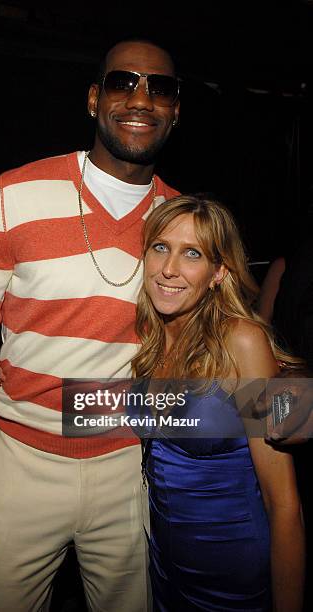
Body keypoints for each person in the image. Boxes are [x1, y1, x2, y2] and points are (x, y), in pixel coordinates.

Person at [0, 39, 180, 611]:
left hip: (130, 475)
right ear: (95, 99)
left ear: (175, 110)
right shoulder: (8, 197)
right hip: (19, 469)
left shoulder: (183, 223)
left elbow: (216, 351)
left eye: (160, 88)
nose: (140, 99)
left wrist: (285, 408)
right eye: (123, 82)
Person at [130, 195, 305, 611]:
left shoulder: (242, 340)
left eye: (192, 253)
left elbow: (284, 505)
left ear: (219, 272)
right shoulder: (147, 340)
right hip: (163, 568)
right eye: (160, 247)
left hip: (232, 575)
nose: (169, 269)